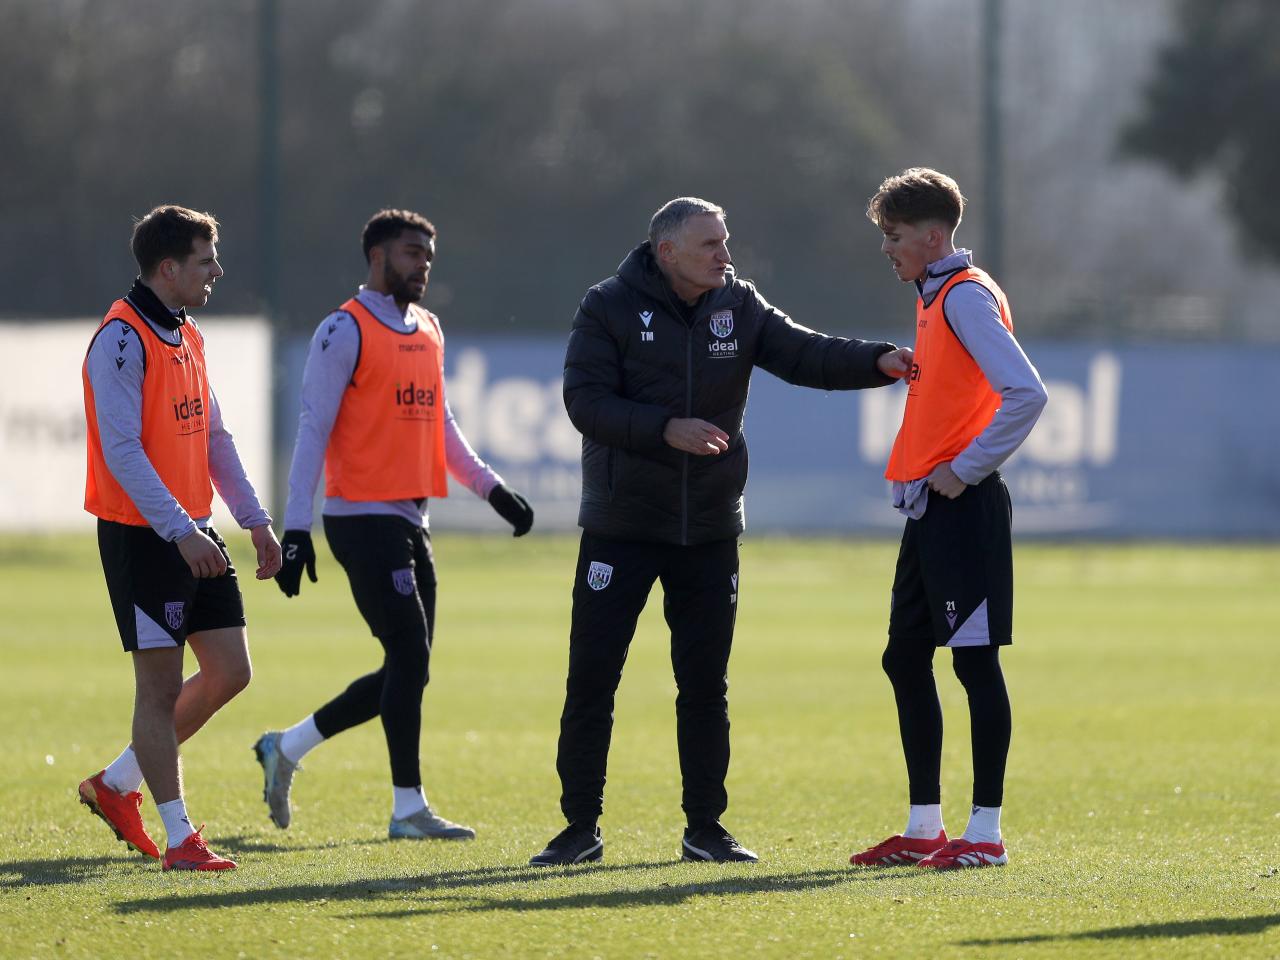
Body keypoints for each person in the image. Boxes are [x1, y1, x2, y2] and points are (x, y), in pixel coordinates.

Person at [529, 197, 913, 866]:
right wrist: (663, 428)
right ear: (666, 251)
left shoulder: (737, 305)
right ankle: (578, 829)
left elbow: (804, 355)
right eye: (709, 244)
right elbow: (582, 401)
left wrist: (877, 361)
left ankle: (705, 828)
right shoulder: (608, 306)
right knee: (592, 678)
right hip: (622, 527)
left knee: (705, 684)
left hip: (709, 528)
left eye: (725, 242)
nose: (724, 255)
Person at [254, 208, 534, 841]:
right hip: (360, 519)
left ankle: (287, 747)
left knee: (410, 666)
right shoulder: (342, 330)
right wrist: (295, 529)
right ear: (378, 256)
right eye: (412, 254)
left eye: (428, 257)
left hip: (412, 519)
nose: (423, 266)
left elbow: (442, 427)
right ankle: (408, 809)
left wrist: (491, 489)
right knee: (409, 654)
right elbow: (312, 430)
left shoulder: (428, 329)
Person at [848, 168, 1047, 871]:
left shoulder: (962, 298)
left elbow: (1027, 393)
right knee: (904, 658)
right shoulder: (938, 297)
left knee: (974, 665)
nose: (886, 249)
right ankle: (925, 827)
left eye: (894, 236)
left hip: (964, 510)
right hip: (930, 513)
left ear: (933, 237)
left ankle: (985, 836)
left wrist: (965, 469)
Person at [78, 205, 282, 871]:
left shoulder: (187, 332)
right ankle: (180, 839)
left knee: (231, 671)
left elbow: (214, 437)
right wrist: (181, 530)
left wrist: (254, 520)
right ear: (169, 268)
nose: (216, 271)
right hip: (147, 537)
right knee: (159, 691)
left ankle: (115, 785)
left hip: (193, 531)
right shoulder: (119, 338)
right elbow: (121, 451)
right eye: (204, 261)